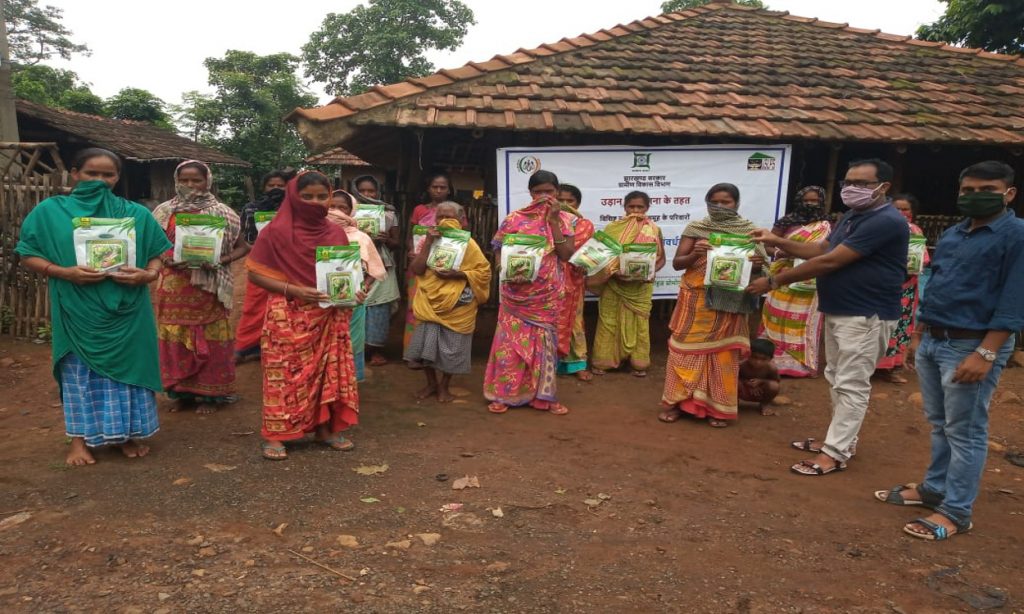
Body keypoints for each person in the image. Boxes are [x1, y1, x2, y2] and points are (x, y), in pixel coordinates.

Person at [875, 161, 1024, 541]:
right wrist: (918, 334)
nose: (975, 196)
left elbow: (1014, 300)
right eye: (968, 190)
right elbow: (938, 284)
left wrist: (987, 353)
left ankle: (957, 511)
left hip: (971, 343)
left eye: (987, 190)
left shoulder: (1017, 236)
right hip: (935, 337)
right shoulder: (956, 233)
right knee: (940, 423)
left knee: (966, 431)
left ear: (1009, 194)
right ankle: (934, 488)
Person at [747, 159, 909, 476]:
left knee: (851, 384)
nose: (851, 189)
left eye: (861, 183)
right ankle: (839, 442)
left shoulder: (885, 221)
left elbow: (830, 261)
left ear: (883, 187)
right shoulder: (853, 216)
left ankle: (835, 453)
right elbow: (821, 249)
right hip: (841, 309)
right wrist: (777, 241)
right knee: (836, 377)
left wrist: (774, 281)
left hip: (866, 314)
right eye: (848, 182)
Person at [15, 148, 171, 465]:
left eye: (108, 175)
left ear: (117, 178)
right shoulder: (50, 212)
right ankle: (79, 441)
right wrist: (64, 272)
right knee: (78, 374)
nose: (100, 181)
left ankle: (125, 435)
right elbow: (28, 254)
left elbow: (158, 252)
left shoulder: (135, 213)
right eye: (91, 173)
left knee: (128, 373)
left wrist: (148, 274)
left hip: (128, 310)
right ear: (74, 174)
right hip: (77, 308)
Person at [246, 171, 364, 461]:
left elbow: (342, 275)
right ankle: (275, 434)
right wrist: (295, 290)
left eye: (322, 196)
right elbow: (256, 274)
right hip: (286, 314)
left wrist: (353, 292)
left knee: (326, 374)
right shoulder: (274, 232)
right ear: (293, 197)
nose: (315, 202)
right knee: (282, 376)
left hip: (327, 316)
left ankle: (324, 428)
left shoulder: (335, 233)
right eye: (307, 196)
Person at [659, 183, 766, 428]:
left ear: (736, 203)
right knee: (683, 350)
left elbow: (762, 269)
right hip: (696, 299)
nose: (719, 206)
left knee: (723, 355)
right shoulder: (697, 228)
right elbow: (678, 263)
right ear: (707, 202)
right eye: (714, 202)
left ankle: (718, 408)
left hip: (731, 301)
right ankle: (677, 402)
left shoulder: (749, 231)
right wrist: (696, 253)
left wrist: (757, 264)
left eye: (725, 202)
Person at [153, 161, 247, 414]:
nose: (190, 185)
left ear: (208, 181)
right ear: (176, 181)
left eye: (196, 180)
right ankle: (181, 392)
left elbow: (243, 247)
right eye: (184, 180)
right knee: (175, 338)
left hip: (208, 288)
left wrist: (220, 260)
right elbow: (152, 244)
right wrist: (164, 258)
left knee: (210, 337)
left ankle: (210, 394)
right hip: (173, 287)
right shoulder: (163, 211)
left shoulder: (223, 213)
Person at [484, 170, 576, 415]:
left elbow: (566, 254)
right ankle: (504, 394)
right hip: (515, 295)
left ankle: (543, 396)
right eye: (538, 192)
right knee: (509, 346)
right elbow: (498, 248)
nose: (544, 196)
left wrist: (553, 221)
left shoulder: (565, 219)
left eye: (549, 191)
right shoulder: (514, 219)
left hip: (546, 297)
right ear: (530, 193)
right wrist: (502, 269)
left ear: (557, 192)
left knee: (544, 346)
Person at [405, 201, 492, 402]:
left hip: (457, 303)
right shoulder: (426, 240)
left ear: (461, 220)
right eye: (440, 217)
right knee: (425, 345)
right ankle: (431, 384)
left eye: (450, 217)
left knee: (453, 348)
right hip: (429, 301)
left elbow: (484, 272)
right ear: (434, 219)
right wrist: (428, 243)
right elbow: (417, 269)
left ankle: (444, 385)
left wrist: (457, 274)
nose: (444, 221)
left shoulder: (469, 244)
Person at [759, 186, 832, 378]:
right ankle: (774, 362)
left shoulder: (828, 224)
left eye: (814, 201)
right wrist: (781, 253)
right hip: (783, 276)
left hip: (813, 278)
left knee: (805, 320)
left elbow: (828, 251)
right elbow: (768, 246)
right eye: (806, 201)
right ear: (798, 201)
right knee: (776, 316)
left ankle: (801, 365)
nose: (810, 204)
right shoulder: (786, 221)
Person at [591, 191, 665, 377]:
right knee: (609, 322)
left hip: (640, 288)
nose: (635, 210)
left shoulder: (654, 229)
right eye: (631, 206)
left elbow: (661, 258)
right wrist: (614, 272)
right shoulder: (612, 228)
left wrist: (651, 272)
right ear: (624, 207)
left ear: (647, 208)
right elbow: (601, 256)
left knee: (640, 324)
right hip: (614, 284)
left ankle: (637, 363)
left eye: (640, 207)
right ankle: (603, 362)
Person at [235, 170, 293, 363]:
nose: (276, 189)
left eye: (280, 186)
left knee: (284, 305)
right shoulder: (251, 209)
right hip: (260, 263)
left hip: (288, 265)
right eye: (271, 185)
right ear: (263, 187)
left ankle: (278, 345)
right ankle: (245, 346)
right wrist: (259, 249)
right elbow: (246, 237)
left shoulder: (295, 209)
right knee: (254, 306)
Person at [327, 190, 386, 382]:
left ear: (351, 210)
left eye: (342, 207)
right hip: (320, 300)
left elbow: (375, 268)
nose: (336, 211)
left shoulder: (361, 237)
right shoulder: (314, 233)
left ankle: (349, 380)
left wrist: (364, 286)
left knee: (351, 338)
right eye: (331, 206)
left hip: (354, 299)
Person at [874, 193, 930, 384]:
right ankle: (870, 365)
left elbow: (920, 260)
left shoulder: (915, 231)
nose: (901, 212)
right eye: (896, 208)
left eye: (905, 209)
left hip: (904, 287)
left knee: (899, 325)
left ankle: (891, 367)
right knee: (875, 324)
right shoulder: (878, 229)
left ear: (912, 212)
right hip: (879, 285)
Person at [351, 176, 402, 367]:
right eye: (362, 190)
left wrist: (386, 239)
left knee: (380, 307)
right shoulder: (348, 211)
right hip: (355, 263)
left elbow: (397, 243)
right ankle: (354, 349)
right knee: (354, 303)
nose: (367, 194)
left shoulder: (388, 212)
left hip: (381, 263)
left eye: (371, 191)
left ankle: (375, 350)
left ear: (378, 192)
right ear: (355, 191)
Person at [406, 172, 458, 358]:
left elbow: (462, 239)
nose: (438, 190)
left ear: (449, 190)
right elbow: (411, 236)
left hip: (445, 269)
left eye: (443, 187)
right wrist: (412, 251)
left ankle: (435, 353)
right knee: (415, 308)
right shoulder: (419, 210)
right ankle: (413, 353)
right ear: (428, 189)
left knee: (441, 309)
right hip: (420, 266)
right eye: (435, 187)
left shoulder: (456, 211)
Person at [555, 184, 595, 381]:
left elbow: (575, 252)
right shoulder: (544, 222)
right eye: (560, 200)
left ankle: (577, 363)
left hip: (574, 280)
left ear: (577, 204)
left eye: (569, 201)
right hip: (549, 280)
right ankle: (547, 363)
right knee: (550, 322)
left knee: (575, 322)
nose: (565, 204)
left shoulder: (584, 224)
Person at [739, 339, 781, 415]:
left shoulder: (771, 368)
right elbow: (734, 379)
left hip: (760, 392)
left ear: (770, 359)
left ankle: (764, 404)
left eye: (763, 359)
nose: (758, 362)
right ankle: (733, 405)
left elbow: (776, 381)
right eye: (754, 357)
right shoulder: (742, 365)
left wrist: (761, 381)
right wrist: (746, 382)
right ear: (748, 355)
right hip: (744, 390)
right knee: (733, 383)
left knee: (774, 386)